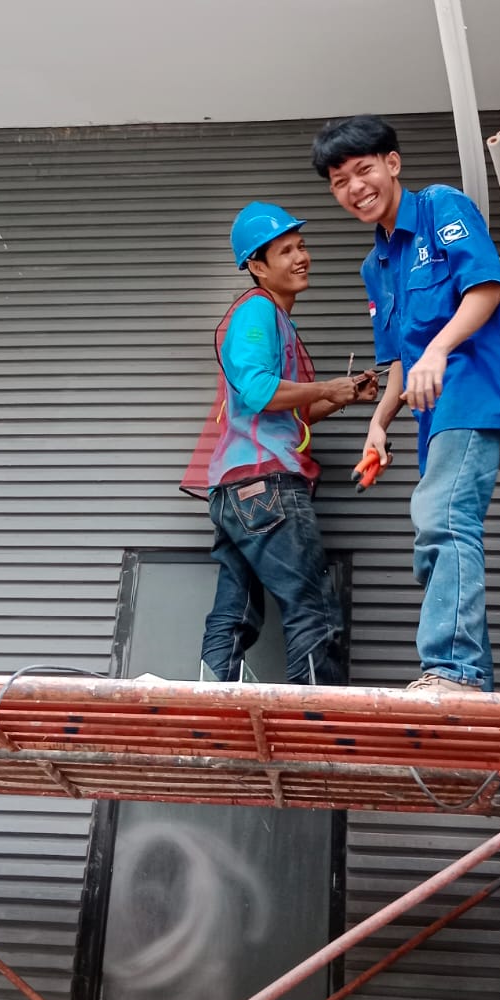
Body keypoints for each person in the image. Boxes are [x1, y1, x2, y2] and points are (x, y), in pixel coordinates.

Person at [311, 116, 500, 694]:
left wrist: (440, 349)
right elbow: (400, 358)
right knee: (437, 530)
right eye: (340, 181)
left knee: (442, 518)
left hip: (477, 390)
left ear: (392, 163)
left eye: (364, 170)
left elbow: (486, 287)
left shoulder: (441, 206)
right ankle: (469, 682)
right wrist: (378, 423)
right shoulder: (375, 266)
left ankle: (454, 670)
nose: (355, 188)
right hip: (434, 415)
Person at [181, 201, 377, 686]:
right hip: (265, 484)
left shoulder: (275, 319)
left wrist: (342, 395)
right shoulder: (257, 310)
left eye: (301, 246)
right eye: (285, 251)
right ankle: (314, 719)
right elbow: (258, 390)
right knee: (314, 609)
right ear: (257, 265)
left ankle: (210, 708)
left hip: (237, 489)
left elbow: (286, 410)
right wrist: (326, 387)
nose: (300, 257)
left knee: (236, 610)